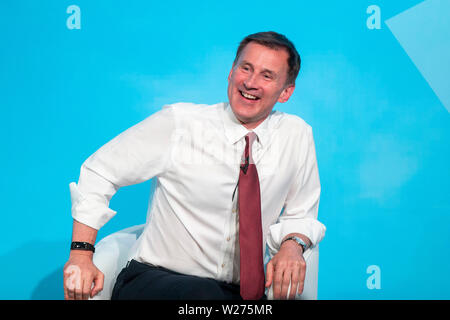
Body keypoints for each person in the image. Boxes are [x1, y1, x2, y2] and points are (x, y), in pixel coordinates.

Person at [63, 31, 326, 300]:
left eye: (266, 76)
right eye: (245, 68)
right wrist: (81, 254)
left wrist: (293, 245)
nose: (250, 82)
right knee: (204, 296)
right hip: (156, 280)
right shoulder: (181, 123)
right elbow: (100, 171)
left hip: (239, 293)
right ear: (231, 72)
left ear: (286, 92)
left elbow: (302, 213)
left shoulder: (296, 135)